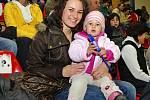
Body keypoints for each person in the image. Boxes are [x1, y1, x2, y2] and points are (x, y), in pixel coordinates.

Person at [0, 0, 136, 100]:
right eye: (71, 10)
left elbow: (106, 50)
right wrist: (62, 71)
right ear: (61, 9)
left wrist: (105, 65)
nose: (75, 16)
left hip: (89, 78)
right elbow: (31, 68)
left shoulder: (85, 30)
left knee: (129, 89)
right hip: (56, 86)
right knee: (97, 96)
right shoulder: (44, 33)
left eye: (79, 12)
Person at [67, 11, 126, 100]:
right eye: (90, 23)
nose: (93, 26)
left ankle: (115, 96)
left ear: (102, 28)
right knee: (78, 84)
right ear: (85, 27)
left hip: (96, 75)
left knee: (106, 81)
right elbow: (72, 53)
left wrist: (107, 53)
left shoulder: (105, 40)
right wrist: (86, 52)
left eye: (97, 24)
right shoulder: (79, 40)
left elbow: (116, 50)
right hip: (81, 74)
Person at [4, 0, 43, 70]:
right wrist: (32, 34)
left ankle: (39, 71)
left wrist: (34, 34)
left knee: (42, 41)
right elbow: (12, 29)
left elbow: (41, 27)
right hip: (18, 37)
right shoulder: (9, 6)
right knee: (25, 41)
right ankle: (26, 72)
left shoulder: (36, 7)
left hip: (35, 36)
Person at [118, 22, 150, 94]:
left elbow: (145, 66)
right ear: (138, 35)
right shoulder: (129, 48)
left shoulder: (137, 45)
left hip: (140, 80)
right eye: (145, 34)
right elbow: (137, 74)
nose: (146, 37)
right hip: (133, 83)